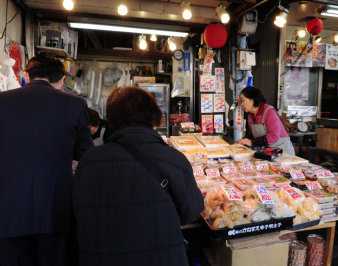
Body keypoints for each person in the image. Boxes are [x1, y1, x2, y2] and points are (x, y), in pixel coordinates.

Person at [73, 86, 204, 266]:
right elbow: (190, 211)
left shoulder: (88, 161)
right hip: (162, 258)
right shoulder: (173, 159)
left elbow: (79, 213)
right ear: (154, 117)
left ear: (112, 119)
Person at [0, 53, 94, 266]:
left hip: (8, 211)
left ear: (26, 75)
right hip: (55, 209)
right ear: (61, 79)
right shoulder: (75, 104)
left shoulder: (2, 101)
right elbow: (85, 154)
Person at [237, 86, 295, 155]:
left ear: (252, 100)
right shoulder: (250, 116)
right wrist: (243, 141)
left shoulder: (269, 111)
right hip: (268, 152)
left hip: (283, 152)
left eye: (243, 100)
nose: (242, 104)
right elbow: (252, 136)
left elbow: (274, 136)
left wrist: (251, 142)